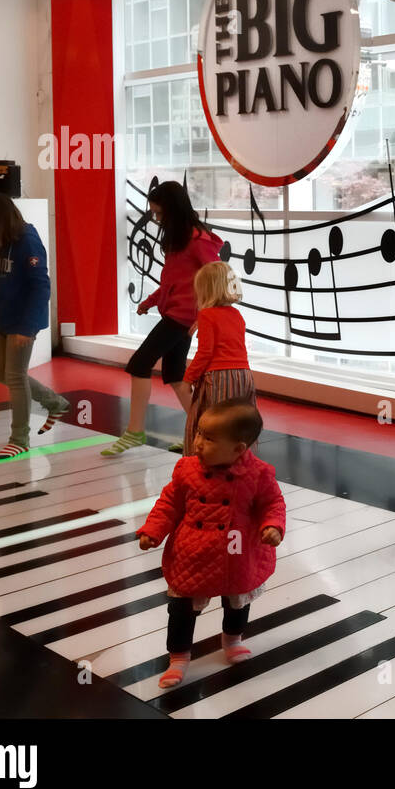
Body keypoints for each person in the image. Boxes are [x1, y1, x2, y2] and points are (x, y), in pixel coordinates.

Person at [137, 399, 285, 689]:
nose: (199, 442)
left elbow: (272, 503)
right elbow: (169, 503)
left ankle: (232, 639)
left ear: (239, 449)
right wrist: (154, 529)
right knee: (180, 609)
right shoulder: (186, 469)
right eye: (199, 433)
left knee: (237, 601)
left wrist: (273, 526)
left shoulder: (259, 474)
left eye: (209, 438)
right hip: (192, 551)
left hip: (238, 553)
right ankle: (178, 656)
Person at [102, 181, 223, 456]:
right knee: (176, 377)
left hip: (182, 318)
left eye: (159, 214)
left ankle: (134, 431)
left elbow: (216, 278)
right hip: (175, 314)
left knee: (140, 364)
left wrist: (206, 315)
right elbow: (175, 282)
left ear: (173, 210)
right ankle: (202, 434)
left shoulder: (197, 241)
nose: (156, 219)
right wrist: (151, 301)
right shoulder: (178, 239)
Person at [0, 193, 70, 460]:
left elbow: (41, 287)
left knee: (14, 376)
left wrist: (26, 327)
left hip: (22, 321)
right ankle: (55, 403)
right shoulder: (2, 242)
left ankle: (20, 438)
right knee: (2, 374)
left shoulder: (28, 241)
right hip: (5, 318)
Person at [181, 261, 255, 456]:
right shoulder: (236, 314)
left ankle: (206, 462)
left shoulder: (206, 315)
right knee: (239, 420)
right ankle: (240, 459)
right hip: (243, 374)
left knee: (211, 422)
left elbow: (206, 352)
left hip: (219, 377)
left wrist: (188, 378)